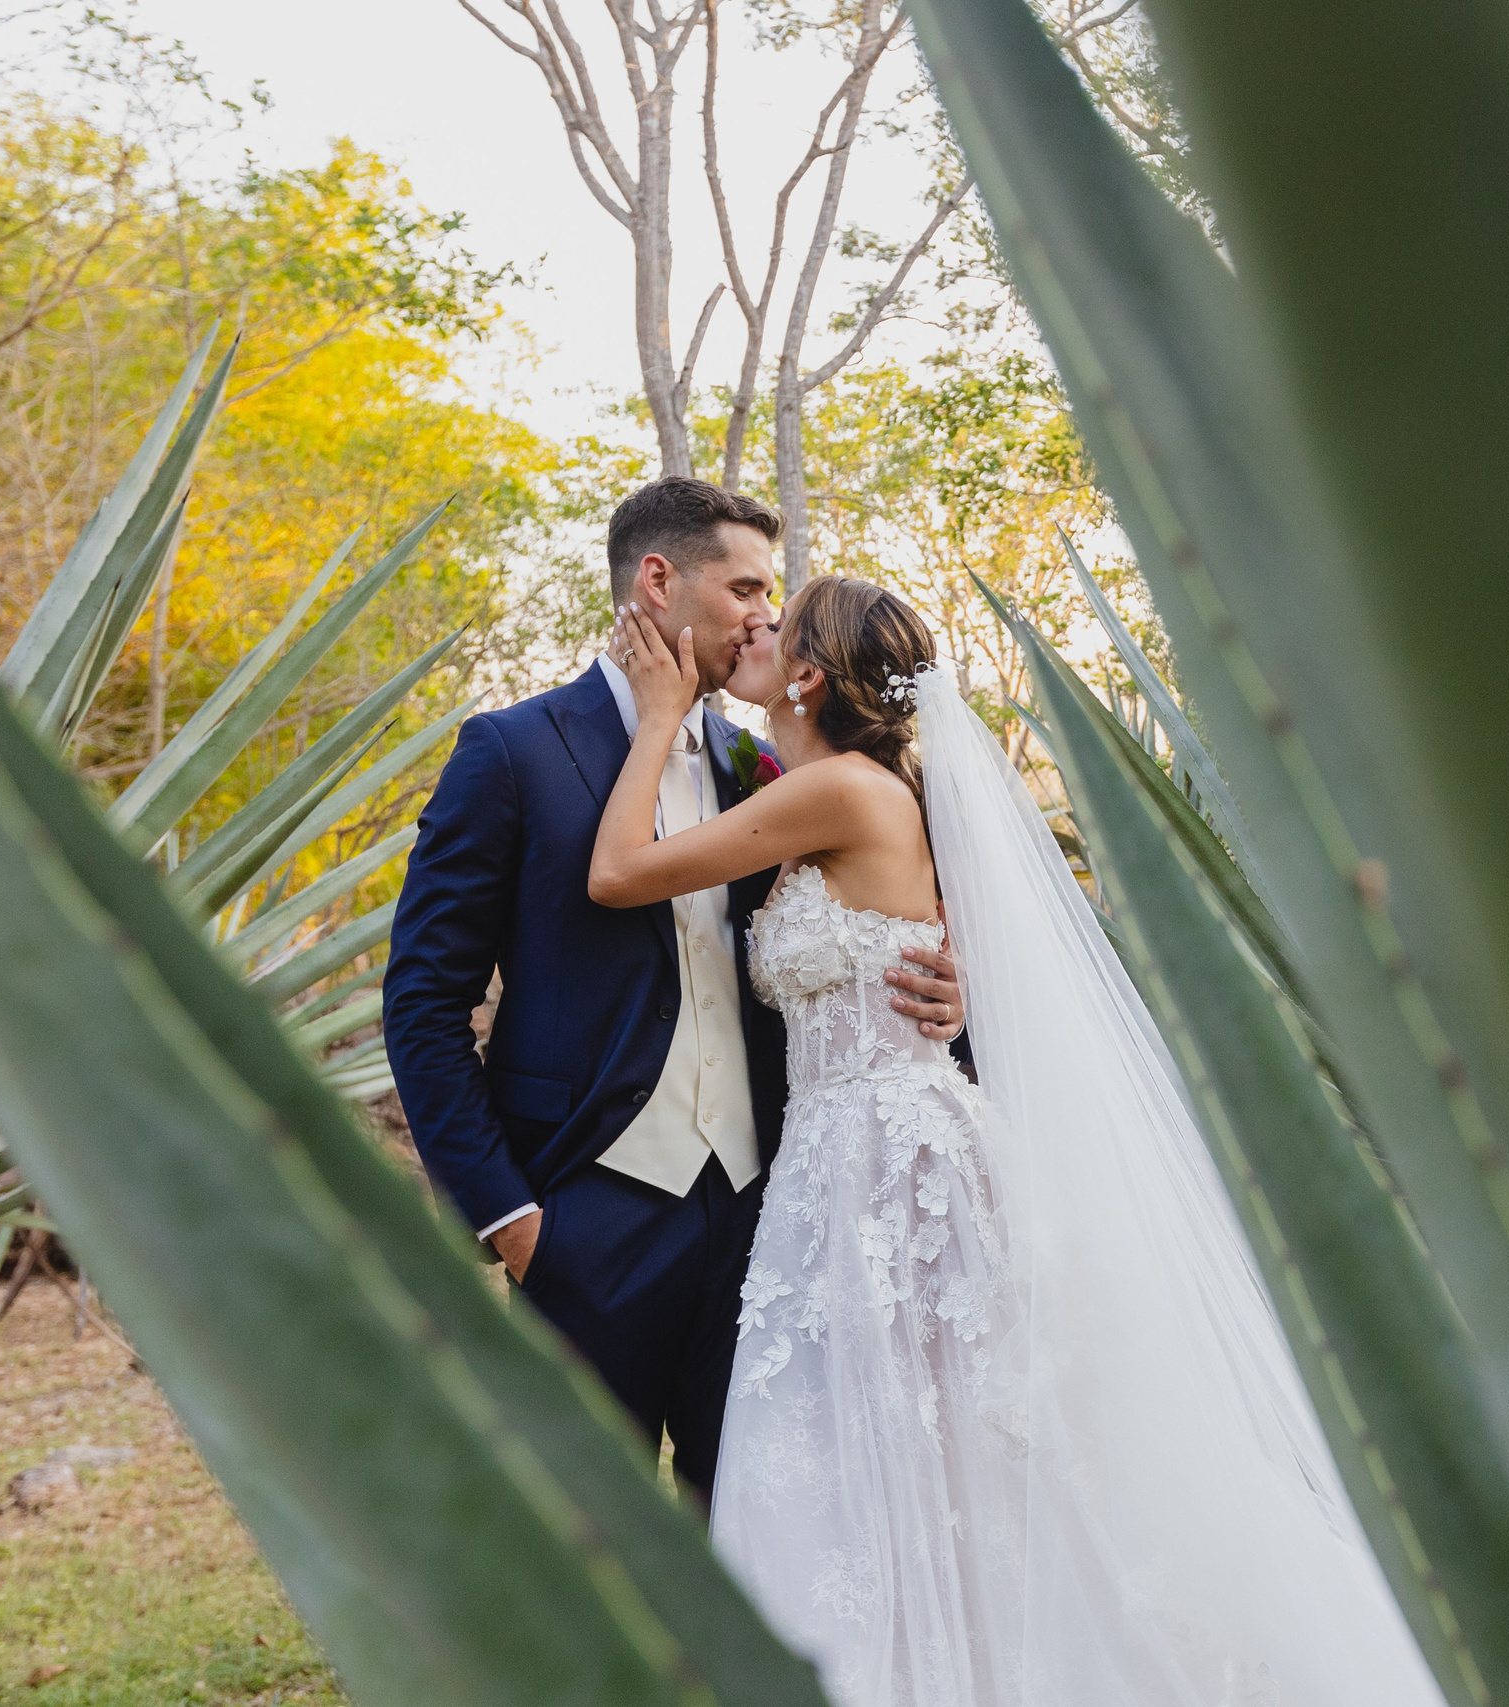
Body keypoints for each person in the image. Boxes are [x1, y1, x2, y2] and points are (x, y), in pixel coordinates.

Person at [591, 575, 1446, 1706]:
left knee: (939, 1449)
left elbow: (618, 875)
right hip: (854, 1155)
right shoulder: (867, 786)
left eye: (773, 622)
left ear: (805, 674)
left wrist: (655, 720)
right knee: (940, 1454)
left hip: (886, 1164)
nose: (752, 629)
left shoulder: (839, 790)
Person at [382, 479, 966, 1503]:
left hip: (769, 1216)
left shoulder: (761, 766)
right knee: (581, 1550)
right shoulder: (514, 752)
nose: (759, 616)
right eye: (744, 587)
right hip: (580, 1220)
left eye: (770, 597)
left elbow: (890, 910)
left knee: (760, 1529)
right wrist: (508, 1215)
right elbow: (425, 1003)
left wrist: (945, 987)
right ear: (658, 581)